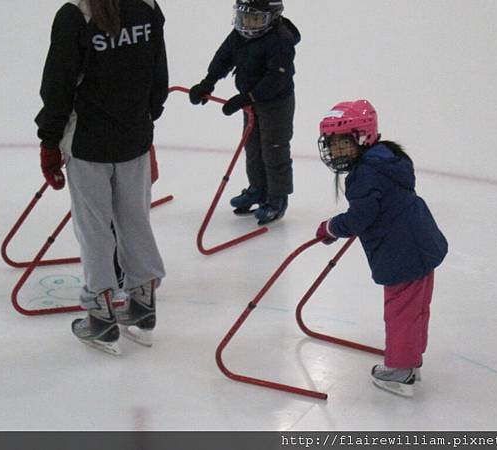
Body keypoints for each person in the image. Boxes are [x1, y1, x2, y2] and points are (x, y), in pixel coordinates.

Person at [35, 0, 168, 354]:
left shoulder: (75, 15)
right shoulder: (147, 7)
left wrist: (49, 141)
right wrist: (144, 117)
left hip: (89, 143)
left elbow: (58, 86)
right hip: (134, 138)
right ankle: (141, 306)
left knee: (94, 228)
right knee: (135, 220)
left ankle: (101, 315)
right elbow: (159, 75)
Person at [315, 100, 448, 397]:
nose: (334, 152)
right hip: (420, 241)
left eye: (341, 144)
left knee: (400, 311)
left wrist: (331, 227)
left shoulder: (365, 175)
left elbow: (361, 217)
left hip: (401, 251)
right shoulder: (387, 158)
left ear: (362, 138)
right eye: (331, 144)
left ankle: (400, 371)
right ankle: (410, 360)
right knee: (415, 309)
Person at [188, 0, 300, 225]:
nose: (248, 24)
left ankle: (277, 197)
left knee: (274, 148)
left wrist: (247, 98)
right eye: (244, 17)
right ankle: (258, 188)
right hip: (251, 102)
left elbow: (277, 78)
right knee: (252, 146)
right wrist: (208, 82)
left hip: (275, 103)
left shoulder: (280, 40)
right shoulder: (239, 36)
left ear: (272, 18)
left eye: (255, 19)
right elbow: (223, 58)